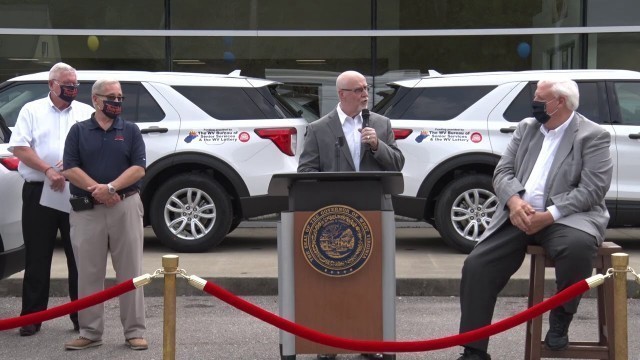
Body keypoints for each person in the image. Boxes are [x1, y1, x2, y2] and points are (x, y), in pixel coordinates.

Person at [456, 78, 613, 360]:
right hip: (519, 215)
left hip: (567, 218)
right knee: (477, 265)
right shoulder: (527, 128)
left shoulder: (592, 135)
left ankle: (561, 317)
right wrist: (515, 202)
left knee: (577, 249)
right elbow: (502, 172)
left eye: (540, 99)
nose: (534, 103)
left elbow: (593, 189)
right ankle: (473, 349)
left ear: (560, 102)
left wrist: (550, 215)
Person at [298, 70, 404, 360]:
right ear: (342, 94)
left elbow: (397, 164)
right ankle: (328, 343)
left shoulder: (380, 125)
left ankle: (368, 343)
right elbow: (305, 172)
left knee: (370, 281)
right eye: (358, 90)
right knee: (333, 282)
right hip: (334, 219)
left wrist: (377, 146)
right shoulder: (319, 129)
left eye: (366, 88)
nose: (365, 94)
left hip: (373, 215)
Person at [8, 62, 94, 336]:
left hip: (76, 190)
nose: (72, 90)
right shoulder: (31, 110)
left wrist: (72, 164)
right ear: (52, 84)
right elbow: (19, 146)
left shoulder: (85, 112)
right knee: (37, 256)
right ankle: (31, 318)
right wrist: (47, 169)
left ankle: (83, 318)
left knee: (79, 256)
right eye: (67, 85)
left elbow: (96, 148)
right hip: (39, 191)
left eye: (75, 85)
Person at [62, 78, 148, 351]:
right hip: (88, 210)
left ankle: (134, 331)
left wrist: (111, 188)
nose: (117, 102)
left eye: (120, 97)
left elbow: (139, 168)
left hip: (125, 206)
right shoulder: (78, 131)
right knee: (88, 273)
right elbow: (70, 168)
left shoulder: (131, 130)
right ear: (96, 100)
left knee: (131, 271)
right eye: (111, 97)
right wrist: (97, 190)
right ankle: (90, 332)